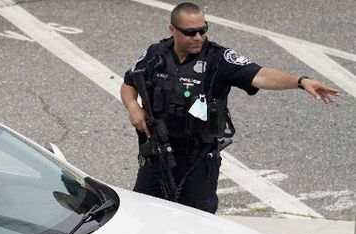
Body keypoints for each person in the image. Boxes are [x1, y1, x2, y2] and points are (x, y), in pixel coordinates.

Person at [120, 2, 339, 213]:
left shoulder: (219, 59)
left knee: (197, 226)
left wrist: (300, 81)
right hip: (157, 154)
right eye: (190, 32)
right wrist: (133, 107)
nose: (198, 37)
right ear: (172, 30)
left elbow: (260, 75)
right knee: (142, 214)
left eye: (202, 30)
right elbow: (129, 84)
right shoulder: (155, 54)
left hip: (198, 159)